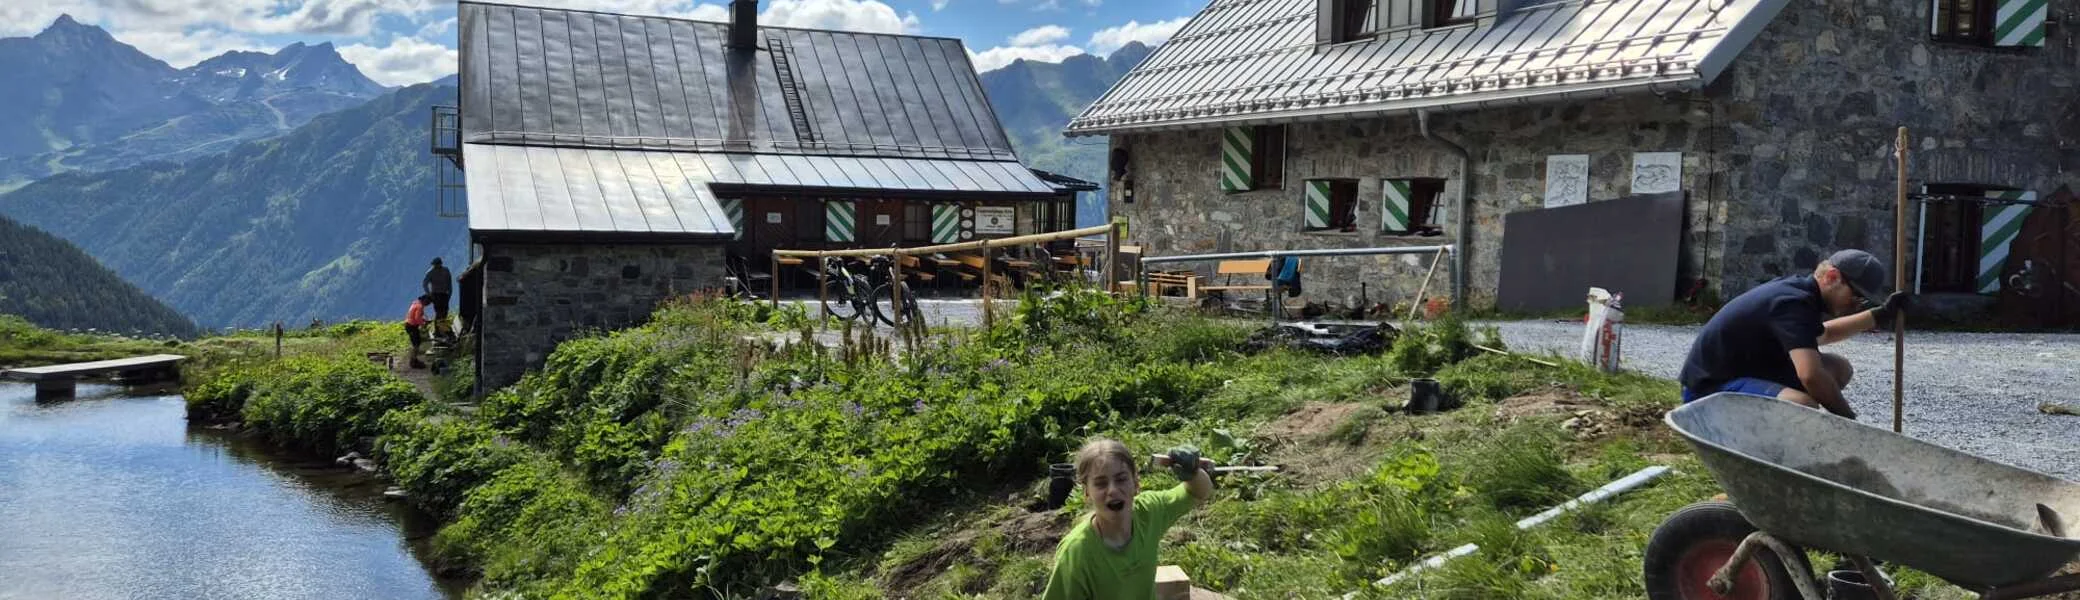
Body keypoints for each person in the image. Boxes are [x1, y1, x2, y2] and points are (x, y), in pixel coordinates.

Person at [1677, 249, 1913, 418]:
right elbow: (1810, 375)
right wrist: (1847, 420)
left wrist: (1881, 314)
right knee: (1802, 405)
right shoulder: (1792, 304)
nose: (1856, 305)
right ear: (1832, 278)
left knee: (1838, 369)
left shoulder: (1801, 294)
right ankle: (1760, 448)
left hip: (1743, 372)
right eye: (1856, 297)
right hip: (1707, 392)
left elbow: (1824, 335)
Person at [1042, 438, 1215, 600]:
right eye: (1101, 483)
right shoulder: (1077, 552)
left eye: (1121, 479)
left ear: (1136, 483)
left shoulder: (1149, 513)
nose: (1113, 490)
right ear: (1087, 493)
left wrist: (1193, 474)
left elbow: (1199, 492)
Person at [424, 257, 453, 337]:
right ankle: (438, 331)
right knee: (440, 312)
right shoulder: (431, 272)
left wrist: (449, 293)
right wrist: (429, 294)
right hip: (437, 295)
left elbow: (449, 283)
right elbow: (425, 284)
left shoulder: (444, 271)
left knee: (444, 312)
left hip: (443, 294)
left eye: (437, 265)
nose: (436, 266)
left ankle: (442, 330)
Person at [404, 294, 431, 369]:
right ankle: (413, 362)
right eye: (428, 302)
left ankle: (414, 359)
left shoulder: (416, 303)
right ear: (425, 300)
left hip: (409, 325)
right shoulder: (420, 306)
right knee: (416, 344)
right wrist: (423, 324)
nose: (428, 304)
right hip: (412, 326)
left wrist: (423, 320)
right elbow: (417, 318)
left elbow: (415, 316)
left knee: (417, 343)